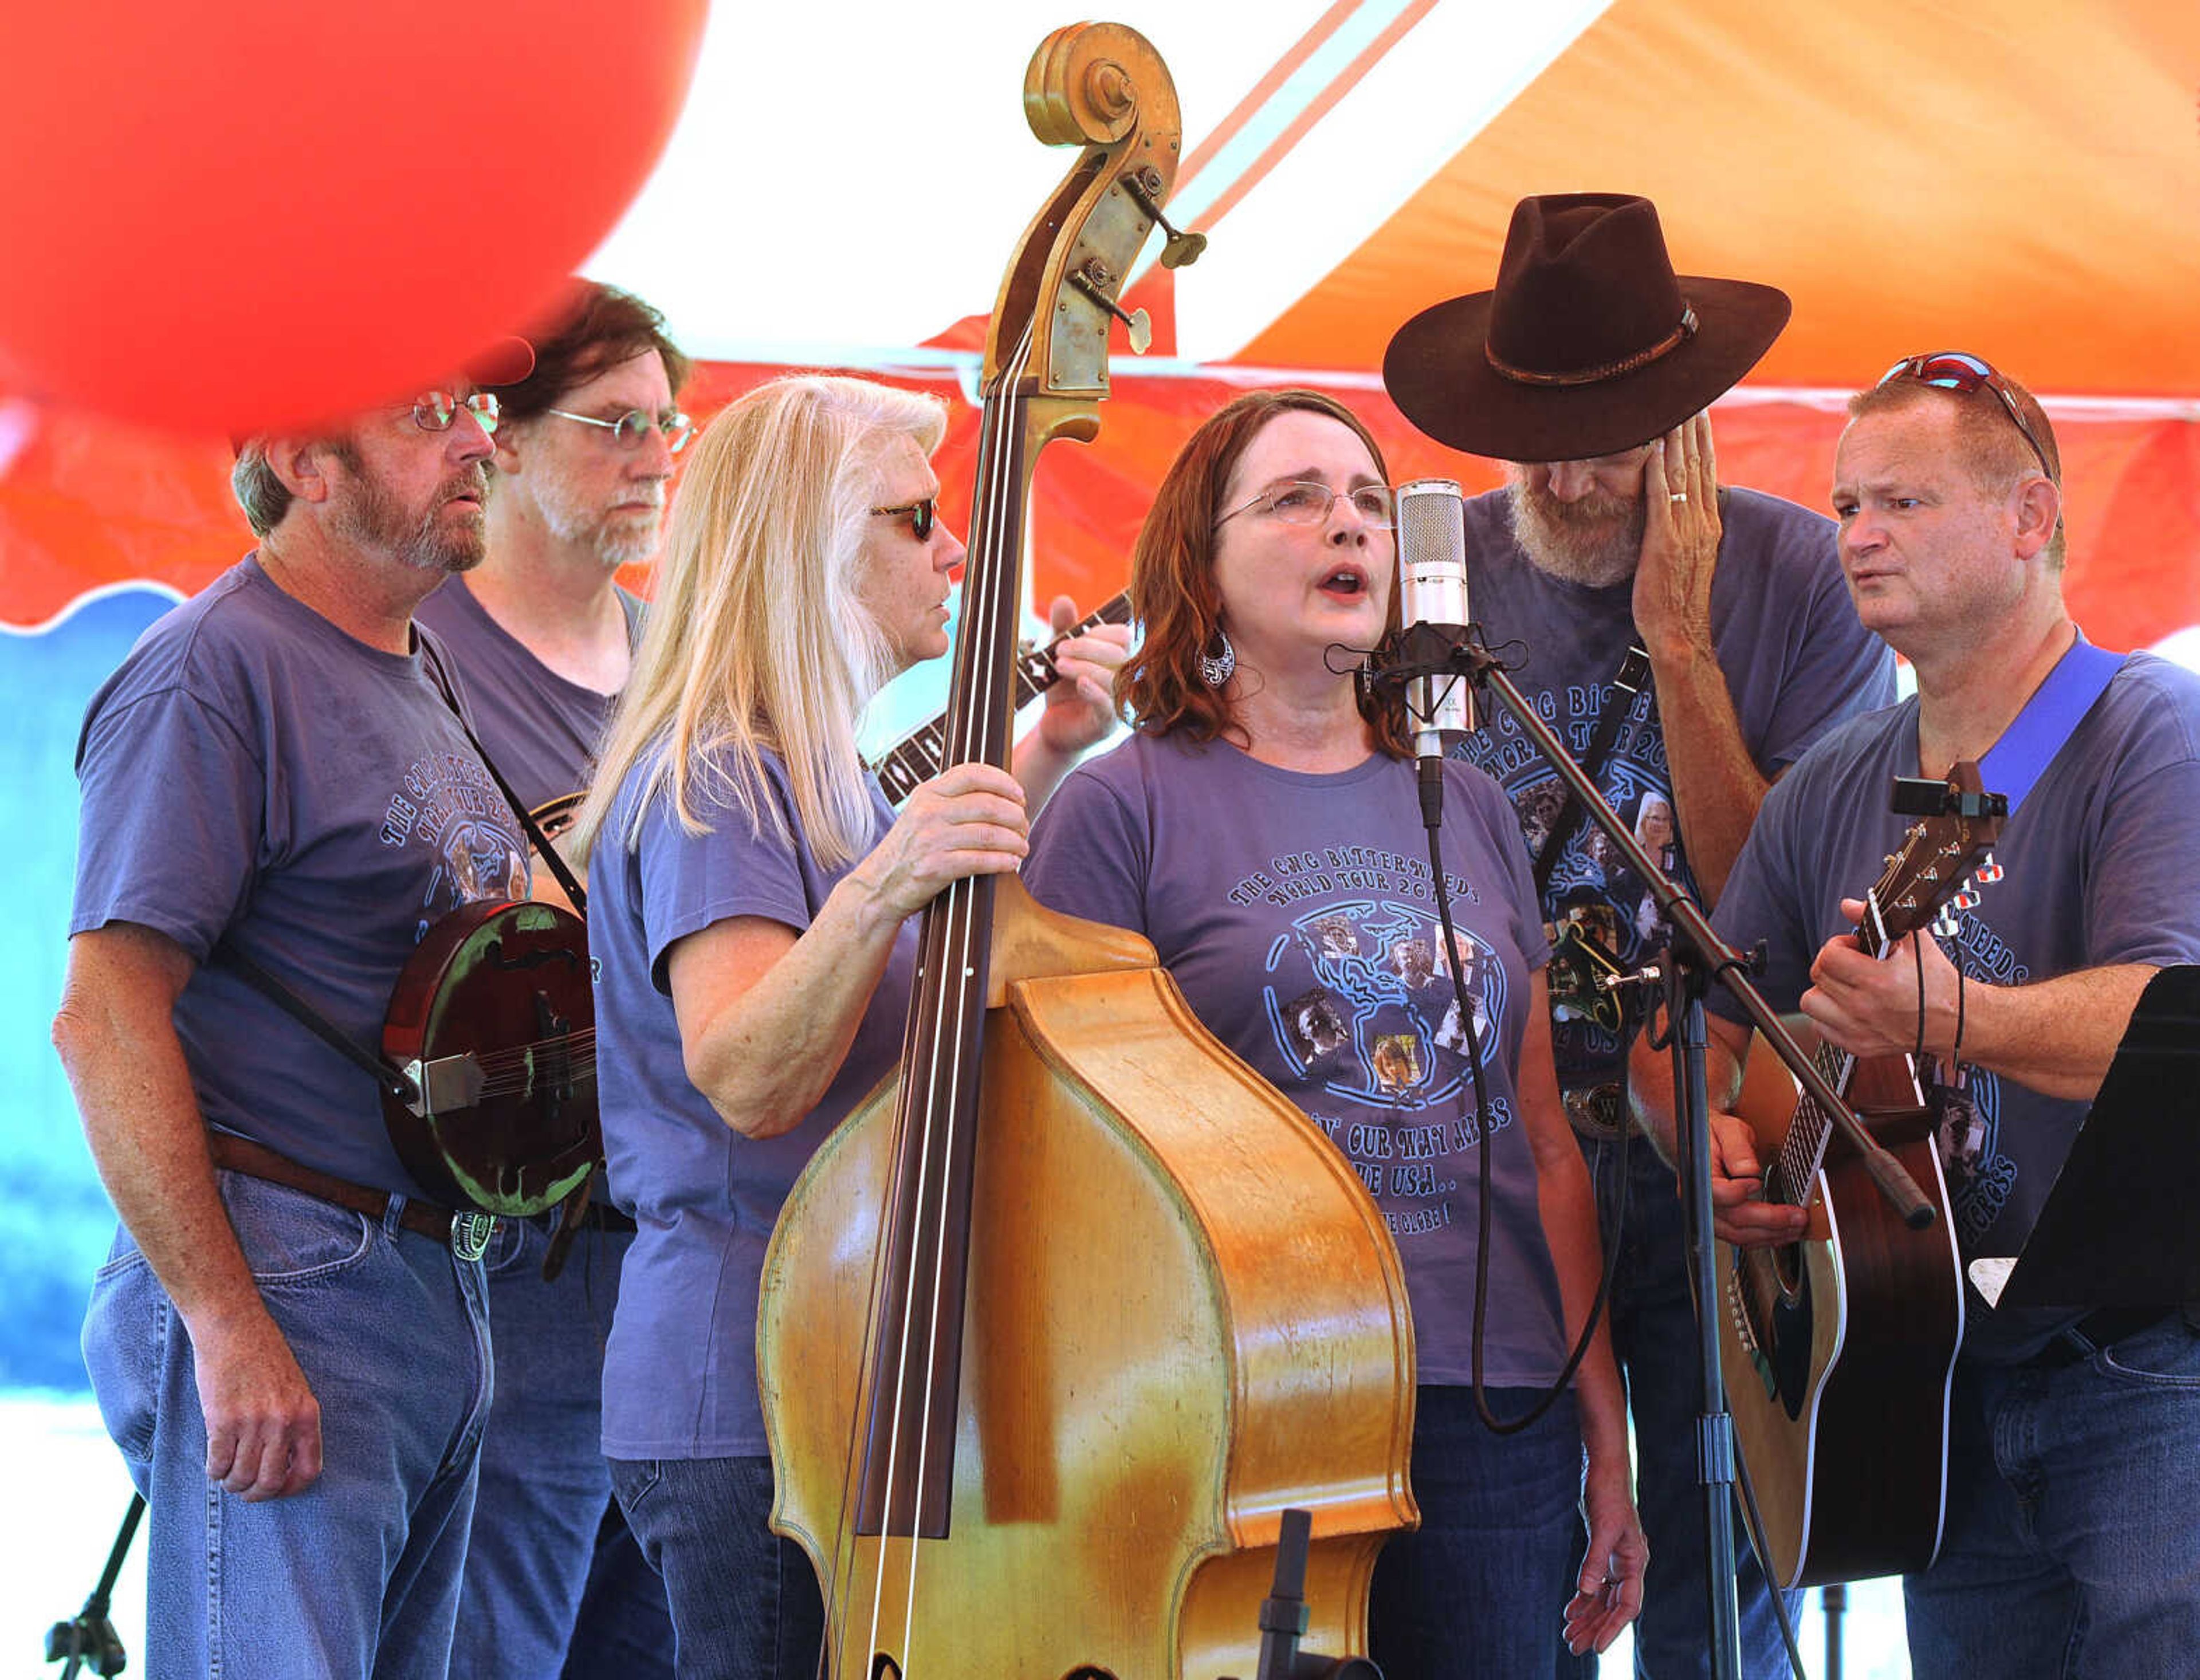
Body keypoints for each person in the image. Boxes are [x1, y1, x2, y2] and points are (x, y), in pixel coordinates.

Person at [1021, 387, 1648, 1677]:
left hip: (1494, 1401)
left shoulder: (1467, 802)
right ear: (1200, 558)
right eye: (1297, 499)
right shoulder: (1119, 814)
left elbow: (1542, 1140)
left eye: (1368, 501)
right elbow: (1058, 1173)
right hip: (1250, 1403)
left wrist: (1606, 1435)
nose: (1346, 527)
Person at [1382, 191, 1896, 1677]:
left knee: (1716, 1597)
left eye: (1614, 424)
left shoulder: (1796, 576)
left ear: (1685, 417)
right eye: (1538, 423)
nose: (1571, 465)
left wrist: (1682, 642)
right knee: (1503, 1585)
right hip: (1490, 1162)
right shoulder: (1432, 572)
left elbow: (1782, 916)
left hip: (1712, 1149)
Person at [1632, 352, 2200, 1677]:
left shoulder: (2149, 734)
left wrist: (1956, 1016)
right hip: (1925, 1381)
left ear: (2030, 518)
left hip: (2141, 1376)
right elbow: (1706, 1032)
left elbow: (2169, 1021)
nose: (1861, 537)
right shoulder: (1833, 782)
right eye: (1844, 508)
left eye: (1904, 502)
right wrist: (1696, 1143)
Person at [566, 373, 1128, 1677]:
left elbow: (890, 939)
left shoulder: (800, 766)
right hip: (752, 1386)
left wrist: (1041, 752)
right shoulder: (726, 767)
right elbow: (747, 1072)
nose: (952, 554)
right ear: (804, 553)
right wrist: (890, 874)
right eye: (910, 519)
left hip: (821, 1367)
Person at [54, 343, 537, 1677]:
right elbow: (102, 1018)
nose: (477, 442)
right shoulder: (212, 674)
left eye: (480, 407)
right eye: (427, 411)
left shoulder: (416, 664)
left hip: (424, 1278)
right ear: (301, 459)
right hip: (291, 1268)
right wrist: (225, 1322)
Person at [414, 280, 688, 1678]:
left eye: (668, 426)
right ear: (501, 439)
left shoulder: (678, 662)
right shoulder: (414, 651)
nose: (656, 459)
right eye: (617, 428)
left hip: (650, 1265)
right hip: (496, 1265)